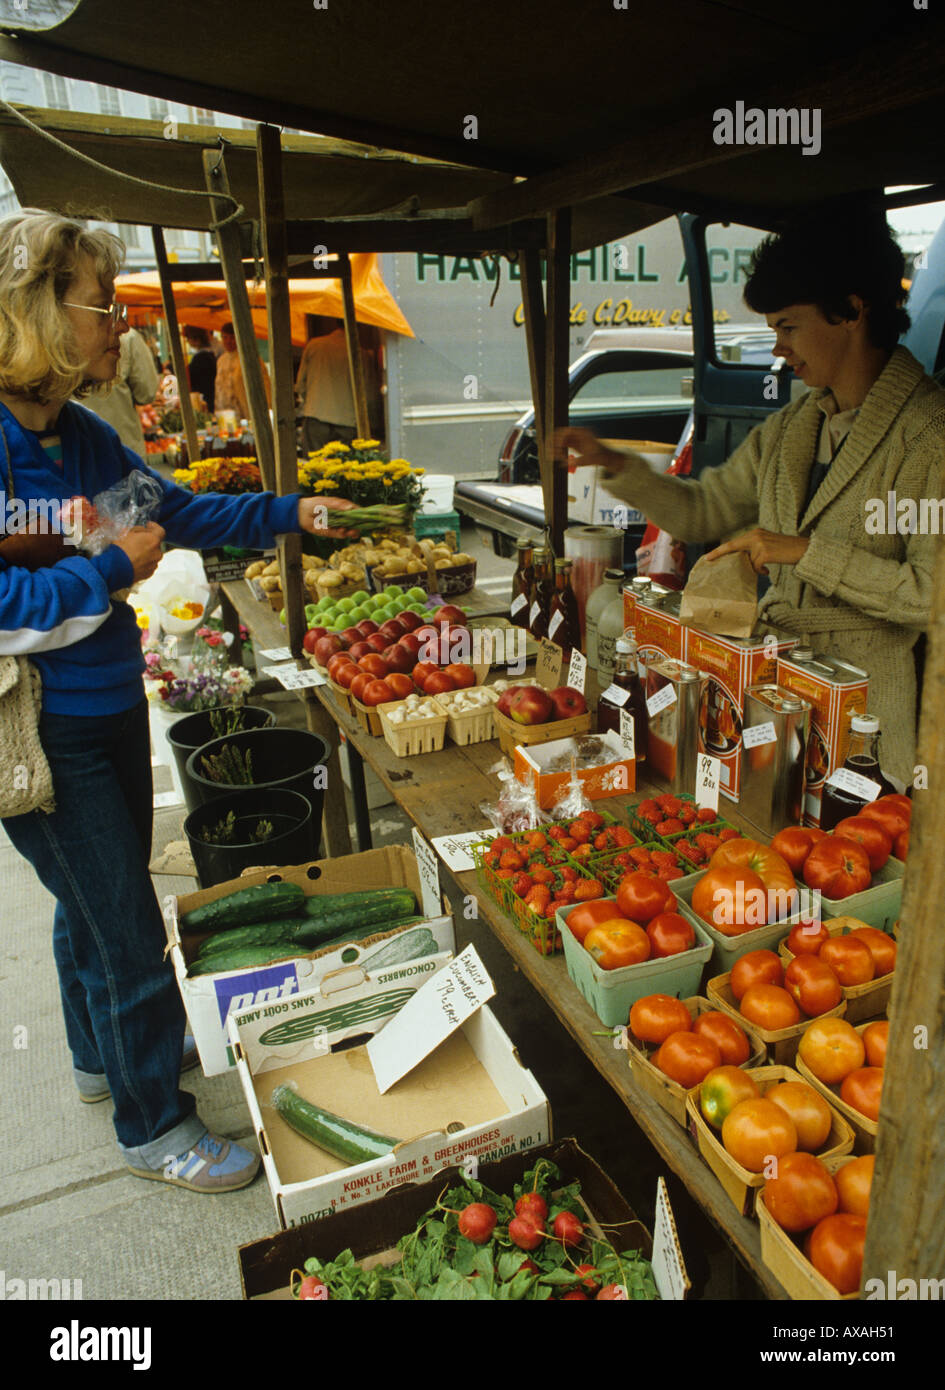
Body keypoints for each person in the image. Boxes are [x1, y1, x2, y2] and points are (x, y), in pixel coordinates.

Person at [0, 210, 357, 1193]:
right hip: (41, 726)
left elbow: (177, 511)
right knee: (124, 925)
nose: (120, 323)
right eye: (99, 304)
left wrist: (293, 512)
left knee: (88, 906)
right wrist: (106, 569)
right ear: (34, 311)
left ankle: (105, 1060)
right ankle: (153, 1124)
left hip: (109, 705)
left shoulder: (76, 436)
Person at [556, 211, 945, 789]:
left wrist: (804, 551)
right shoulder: (791, 428)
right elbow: (700, 510)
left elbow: (930, 593)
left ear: (852, 310)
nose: (778, 349)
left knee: (851, 860)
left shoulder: (928, 433)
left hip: (870, 714)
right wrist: (613, 463)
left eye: (788, 327)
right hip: (776, 694)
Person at [296, 315, 375, 454]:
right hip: (347, 423)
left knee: (315, 468)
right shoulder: (361, 353)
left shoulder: (314, 346)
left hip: (316, 417)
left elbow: (300, 385)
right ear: (358, 327)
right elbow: (367, 395)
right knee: (343, 471)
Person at [80, 324, 159, 461]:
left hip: (78, 456)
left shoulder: (54, 338)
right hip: (124, 452)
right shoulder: (128, 337)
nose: (122, 323)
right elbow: (147, 393)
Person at [215, 319, 271, 420]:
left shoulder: (250, 358)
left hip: (246, 413)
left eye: (232, 338)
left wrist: (266, 408)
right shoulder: (221, 360)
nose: (228, 341)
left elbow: (264, 385)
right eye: (225, 337)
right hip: (225, 414)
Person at [182, 324, 217, 413]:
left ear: (197, 340)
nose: (187, 341)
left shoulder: (201, 358)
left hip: (205, 399)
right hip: (211, 397)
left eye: (188, 338)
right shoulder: (210, 355)